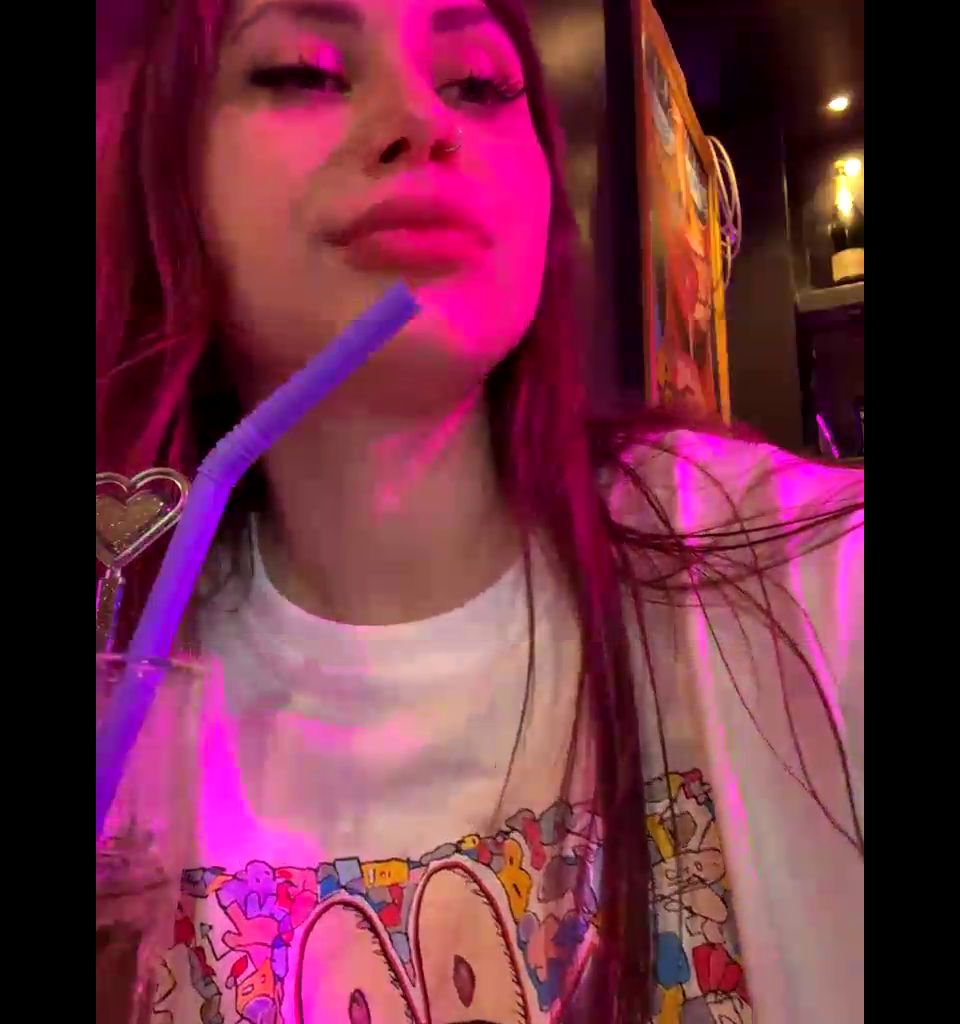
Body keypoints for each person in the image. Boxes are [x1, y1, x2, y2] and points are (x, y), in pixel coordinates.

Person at [96, 1, 864, 1022]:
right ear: (169, 177)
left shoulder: (804, 575)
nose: (422, 120)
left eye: (477, 84)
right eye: (304, 70)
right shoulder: (123, 654)